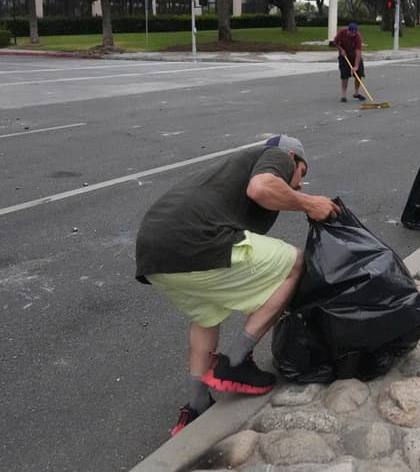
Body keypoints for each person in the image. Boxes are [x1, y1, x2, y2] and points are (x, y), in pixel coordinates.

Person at [134, 135, 340, 436]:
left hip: (155, 254)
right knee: (297, 263)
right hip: (197, 241)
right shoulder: (278, 156)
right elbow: (260, 189)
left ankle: (196, 407)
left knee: (207, 315)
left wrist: (296, 196)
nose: (299, 183)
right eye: (302, 173)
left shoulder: (229, 171)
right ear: (294, 157)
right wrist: (310, 203)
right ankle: (235, 360)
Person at [332, 22, 365, 103]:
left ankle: (356, 93)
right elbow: (335, 42)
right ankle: (344, 95)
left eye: (355, 33)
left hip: (354, 55)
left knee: (358, 74)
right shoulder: (342, 32)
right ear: (348, 31)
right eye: (351, 33)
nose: (353, 35)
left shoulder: (358, 37)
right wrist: (341, 49)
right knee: (344, 75)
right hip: (344, 56)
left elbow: (358, 52)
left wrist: (356, 66)